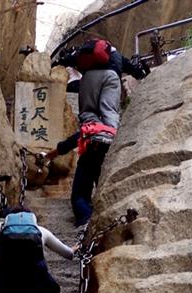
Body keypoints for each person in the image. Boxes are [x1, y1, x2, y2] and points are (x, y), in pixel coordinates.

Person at [46, 39, 124, 227]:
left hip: (92, 140)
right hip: (108, 138)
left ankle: (86, 228)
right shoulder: (112, 74)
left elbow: (87, 123)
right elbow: (110, 109)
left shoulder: (86, 78)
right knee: (105, 190)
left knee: (80, 195)